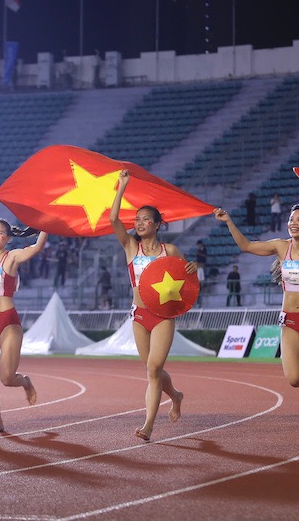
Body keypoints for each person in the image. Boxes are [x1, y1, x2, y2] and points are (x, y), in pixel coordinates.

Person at [214, 194, 299, 436]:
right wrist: (228, 222)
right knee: (295, 378)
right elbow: (246, 246)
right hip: (289, 321)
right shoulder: (280, 246)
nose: (294, 223)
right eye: (291, 219)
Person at [110, 169, 192, 442]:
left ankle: (148, 425)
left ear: (157, 225)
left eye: (146, 219)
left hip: (163, 317)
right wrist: (121, 187)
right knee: (151, 370)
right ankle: (176, 395)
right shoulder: (131, 248)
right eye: (137, 219)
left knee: (154, 369)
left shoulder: (171, 251)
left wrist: (193, 269)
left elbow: (189, 284)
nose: (140, 223)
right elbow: (113, 219)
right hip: (139, 316)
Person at [0, 220, 47, 433]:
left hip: (8, 322)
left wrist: (47, 226)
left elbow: (36, 248)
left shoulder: (11, 257)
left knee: (6, 378)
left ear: (7, 238)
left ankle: (25, 382)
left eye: (0, 233)